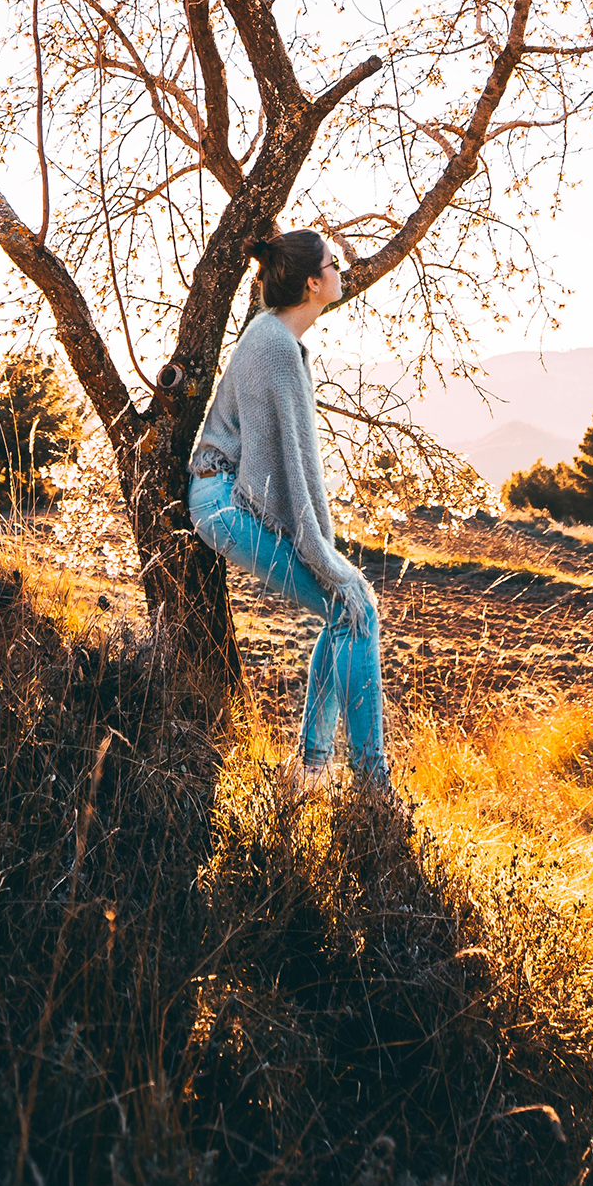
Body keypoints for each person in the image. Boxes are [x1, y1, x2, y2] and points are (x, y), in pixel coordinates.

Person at [188, 226, 387, 787]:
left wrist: (324, 555)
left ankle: (313, 769)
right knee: (354, 607)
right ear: (311, 283)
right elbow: (290, 469)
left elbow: (290, 459)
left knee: (345, 608)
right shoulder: (274, 346)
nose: (340, 268)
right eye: (333, 262)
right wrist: (321, 554)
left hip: (223, 495)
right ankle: (371, 785)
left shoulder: (277, 338)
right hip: (226, 502)